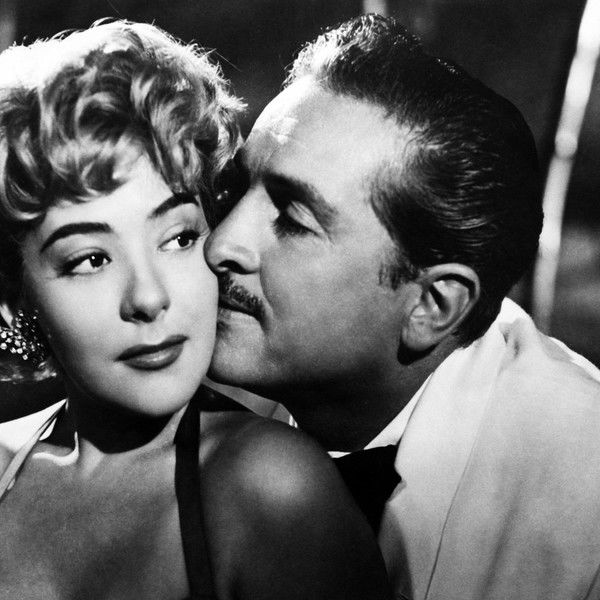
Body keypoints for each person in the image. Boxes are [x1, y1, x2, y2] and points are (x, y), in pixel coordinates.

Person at [202, 14, 600, 600]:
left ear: (432, 306)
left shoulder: (586, 496)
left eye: (292, 219)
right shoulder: (187, 387)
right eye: (236, 189)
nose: (219, 245)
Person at [0, 21, 390, 600]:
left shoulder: (269, 489)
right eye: (90, 259)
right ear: (15, 302)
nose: (149, 297)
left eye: (179, 237)